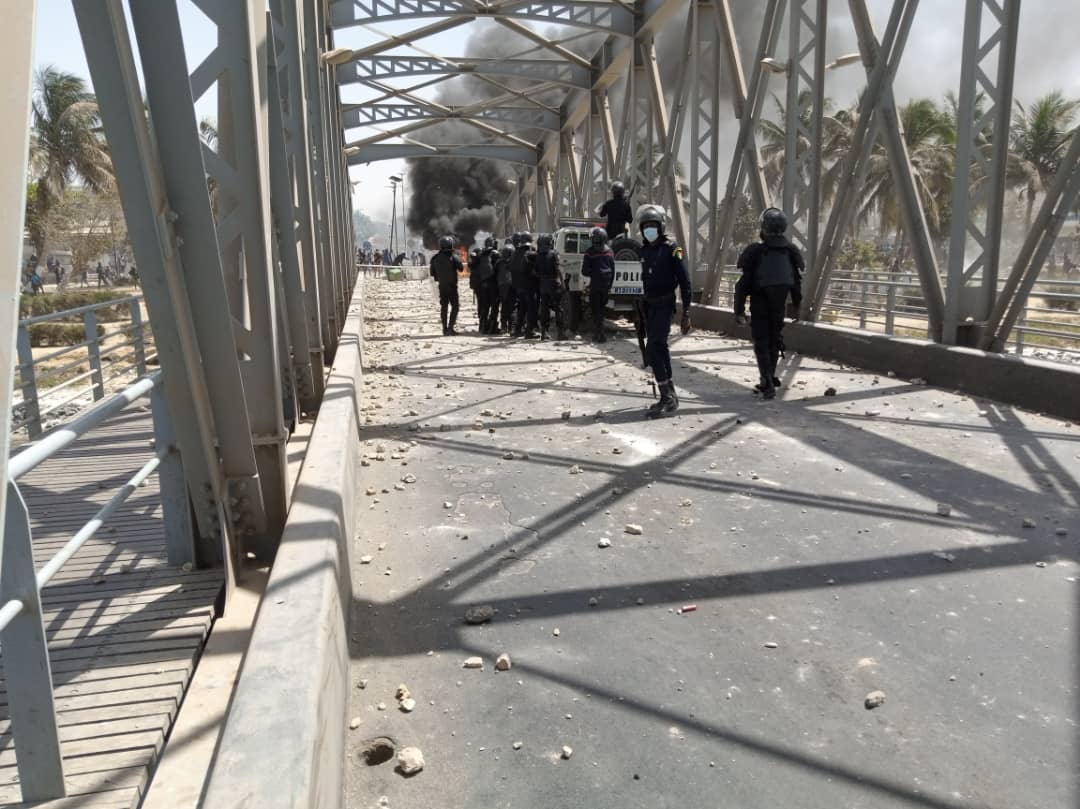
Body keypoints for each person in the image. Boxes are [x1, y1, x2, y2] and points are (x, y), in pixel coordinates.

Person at [733, 207, 804, 401]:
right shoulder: (791, 250)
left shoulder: (755, 250)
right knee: (774, 339)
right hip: (779, 303)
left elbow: (743, 284)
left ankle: (767, 381)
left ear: (763, 227)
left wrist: (739, 311)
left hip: (759, 302)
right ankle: (769, 378)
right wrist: (796, 306)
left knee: (761, 342)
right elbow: (797, 282)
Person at [638, 204, 691, 419]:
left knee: (654, 348)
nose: (649, 230)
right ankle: (669, 395)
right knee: (660, 349)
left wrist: (687, 311)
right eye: (645, 227)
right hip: (649, 304)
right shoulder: (644, 250)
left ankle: (666, 396)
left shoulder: (672, 248)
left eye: (653, 226)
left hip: (665, 303)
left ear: (661, 227)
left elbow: (685, 281)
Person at [581, 227, 615, 343]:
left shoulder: (589, 252)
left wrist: (594, 273)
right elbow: (613, 270)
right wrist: (609, 285)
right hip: (606, 286)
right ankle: (601, 334)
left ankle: (598, 334)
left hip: (595, 286)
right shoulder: (609, 251)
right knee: (602, 310)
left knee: (596, 311)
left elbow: (584, 271)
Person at [534, 234, 566, 341]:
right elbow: (558, 270)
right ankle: (560, 333)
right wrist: (562, 283)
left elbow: (535, 271)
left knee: (544, 309)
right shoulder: (553, 254)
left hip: (543, 285)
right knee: (559, 308)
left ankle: (544, 333)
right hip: (553, 284)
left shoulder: (537, 255)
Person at [429, 235, 463, 336]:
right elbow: (461, 268)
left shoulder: (435, 258)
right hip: (452, 286)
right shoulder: (453, 257)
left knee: (444, 307)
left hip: (442, 287)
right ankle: (450, 328)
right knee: (455, 307)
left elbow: (432, 273)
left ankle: (444, 329)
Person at [509, 232, 539, 338]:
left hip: (519, 285)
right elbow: (536, 267)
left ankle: (517, 330)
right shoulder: (531, 250)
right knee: (531, 308)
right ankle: (529, 332)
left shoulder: (515, 252)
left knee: (522, 308)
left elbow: (511, 267)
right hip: (529, 285)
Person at [470, 236, 500, 334]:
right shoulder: (494, 254)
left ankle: (482, 327)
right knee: (494, 305)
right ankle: (492, 327)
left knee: (484, 305)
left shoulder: (480, 253)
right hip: (492, 283)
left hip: (481, 284)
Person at [495, 242, 515, 334]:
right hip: (511, 286)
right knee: (512, 307)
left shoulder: (499, 262)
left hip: (501, 286)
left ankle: (504, 327)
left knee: (504, 307)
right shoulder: (513, 262)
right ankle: (511, 328)